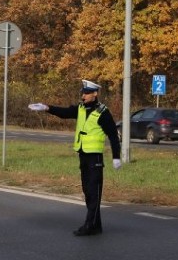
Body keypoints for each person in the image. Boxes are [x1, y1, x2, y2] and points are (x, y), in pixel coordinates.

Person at [28, 80, 122, 236]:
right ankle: (96, 225)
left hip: (95, 157)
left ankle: (88, 225)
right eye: (82, 93)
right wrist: (47, 108)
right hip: (83, 155)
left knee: (94, 192)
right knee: (87, 191)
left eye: (86, 93)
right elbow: (64, 112)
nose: (83, 96)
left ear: (95, 94)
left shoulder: (103, 112)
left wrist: (116, 157)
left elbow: (113, 135)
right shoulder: (80, 109)